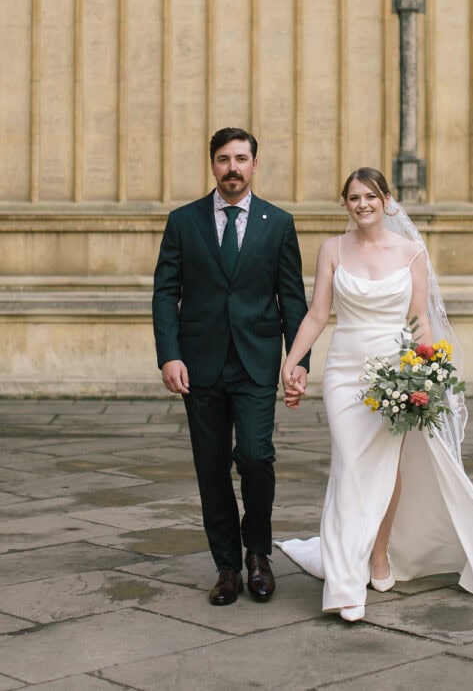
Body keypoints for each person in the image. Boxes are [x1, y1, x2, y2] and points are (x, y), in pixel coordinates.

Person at [278, 167, 473, 622]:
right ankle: (345, 586)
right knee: (349, 467)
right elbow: (317, 314)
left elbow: (421, 321)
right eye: (352, 197)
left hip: (394, 376)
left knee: (386, 470)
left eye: (370, 196)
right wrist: (292, 361)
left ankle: (379, 556)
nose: (361, 204)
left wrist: (424, 375)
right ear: (345, 204)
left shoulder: (411, 253)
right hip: (345, 372)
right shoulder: (332, 250)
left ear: (387, 200)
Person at [152, 127, 310, 606]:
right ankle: (226, 567)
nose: (233, 168)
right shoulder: (183, 221)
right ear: (213, 164)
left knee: (257, 456)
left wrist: (297, 361)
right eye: (224, 159)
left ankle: (258, 554)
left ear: (255, 165)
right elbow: (165, 292)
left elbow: (294, 300)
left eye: (241, 158)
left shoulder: (278, 223)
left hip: (256, 363)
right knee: (211, 466)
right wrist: (169, 354)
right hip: (199, 366)